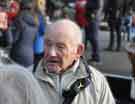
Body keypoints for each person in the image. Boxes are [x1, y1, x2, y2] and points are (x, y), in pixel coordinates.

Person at [34, 19, 115, 104]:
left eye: (60, 47)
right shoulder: (27, 78)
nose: (51, 53)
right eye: (48, 44)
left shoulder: (97, 82)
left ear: (78, 51)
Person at [9, 0, 38, 67]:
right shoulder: (35, 23)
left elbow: (13, 39)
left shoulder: (19, 19)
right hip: (30, 57)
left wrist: (9, 29)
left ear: (21, 7)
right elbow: (34, 41)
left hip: (17, 54)